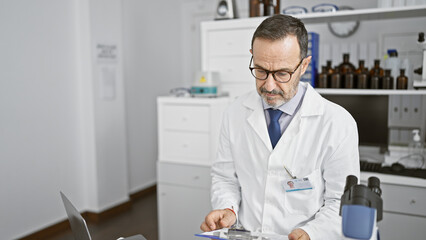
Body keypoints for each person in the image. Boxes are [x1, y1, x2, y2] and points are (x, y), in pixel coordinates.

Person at [200, 14, 360, 240]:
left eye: (282, 73)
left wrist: (310, 232)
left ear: (304, 65)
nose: (269, 85)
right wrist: (228, 209)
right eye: (261, 71)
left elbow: (341, 202)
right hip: (247, 235)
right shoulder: (234, 113)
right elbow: (225, 178)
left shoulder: (337, 123)